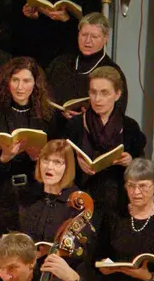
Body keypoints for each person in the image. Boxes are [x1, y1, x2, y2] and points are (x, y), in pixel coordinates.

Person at [0, 57, 55, 234]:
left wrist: (38, 158)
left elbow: (57, 155)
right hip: (0, 193)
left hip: (35, 193)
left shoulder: (47, 116)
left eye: (26, 81)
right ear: (7, 81)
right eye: (15, 80)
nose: (20, 87)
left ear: (35, 84)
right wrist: (4, 158)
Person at [60, 65, 145, 217]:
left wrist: (131, 161)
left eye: (104, 93)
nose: (97, 99)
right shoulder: (75, 125)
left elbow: (143, 167)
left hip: (118, 202)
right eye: (93, 92)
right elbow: (59, 162)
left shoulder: (130, 127)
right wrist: (75, 160)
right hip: (80, 200)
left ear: (117, 94)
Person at [43, 13, 123, 116]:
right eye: (84, 35)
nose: (87, 41)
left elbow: (118, 113)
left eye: (94, 36)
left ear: (105, 39)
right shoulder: (60, 62)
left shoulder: (112, 71)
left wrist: (88, 118)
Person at [18, 139, 86, 253]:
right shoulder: (26, 194)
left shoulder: (77, 203)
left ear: (68, 167)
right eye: (45, 160)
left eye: (57, 162)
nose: (49, 167)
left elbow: (80, 249)